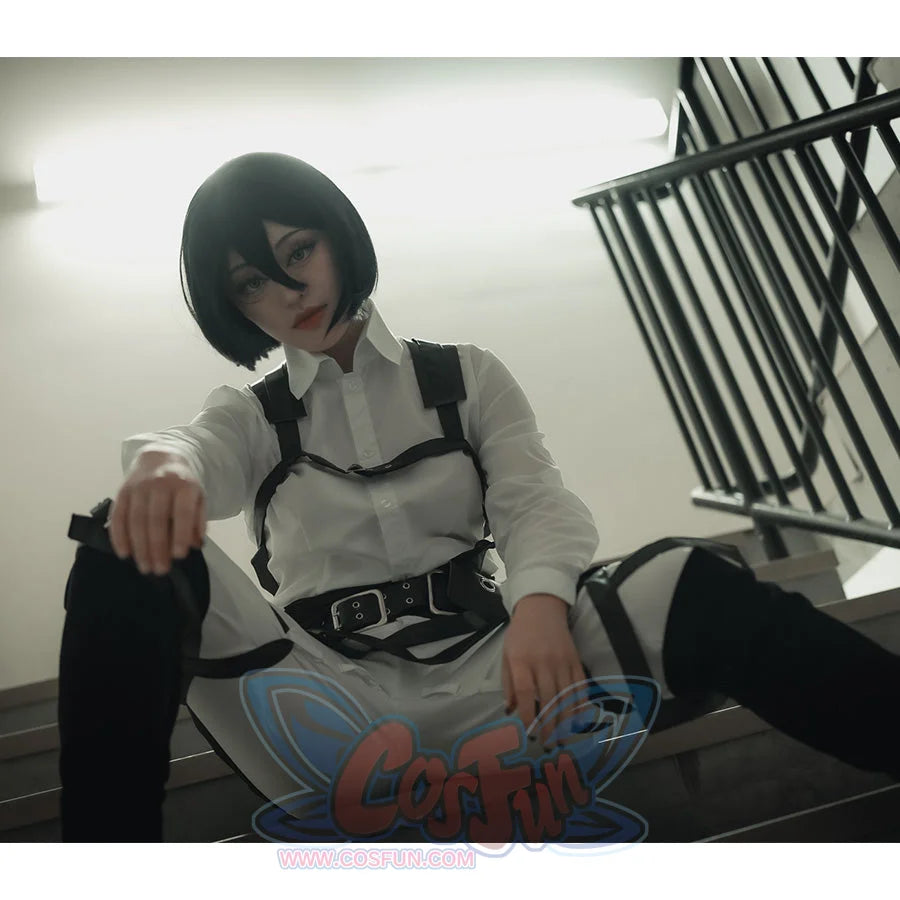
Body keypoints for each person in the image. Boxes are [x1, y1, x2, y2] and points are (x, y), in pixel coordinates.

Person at [58, 152, 900, 843]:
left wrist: (539, 606)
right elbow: (195, 447)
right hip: (323, 709)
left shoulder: (466, 375)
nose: (286, 292)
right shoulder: (249, 415)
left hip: (509, 681)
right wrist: (162, 466)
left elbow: (535, 500)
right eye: (251, 284)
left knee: (692, 580)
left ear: (339, 237)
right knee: (118, 540)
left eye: (299, 251)